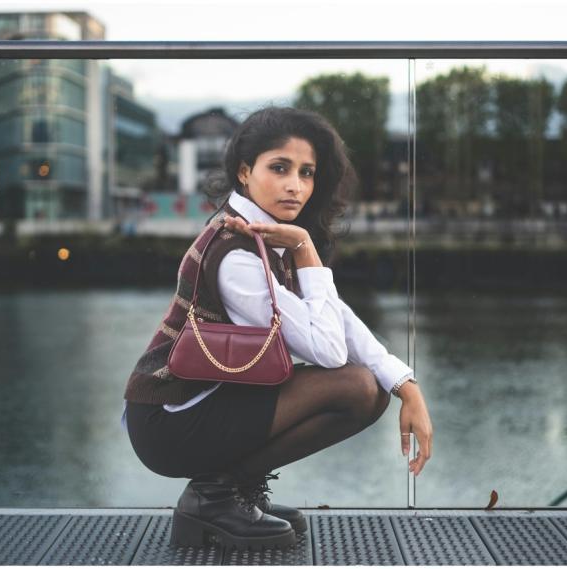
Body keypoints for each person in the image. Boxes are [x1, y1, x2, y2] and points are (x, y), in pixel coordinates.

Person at [122, 106, 433, 550]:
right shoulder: (238, 253)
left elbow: (339, 320)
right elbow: (328, 352)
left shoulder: (262, 233)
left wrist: (407, 386)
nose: (296, 185)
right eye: (280, 168)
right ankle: (215, 496)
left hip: (208, 398)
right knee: (358, 389)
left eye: (307, 173)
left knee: (374, 386)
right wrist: (307, 250)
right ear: (245, 172)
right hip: (169, 418)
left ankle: (224, 493)